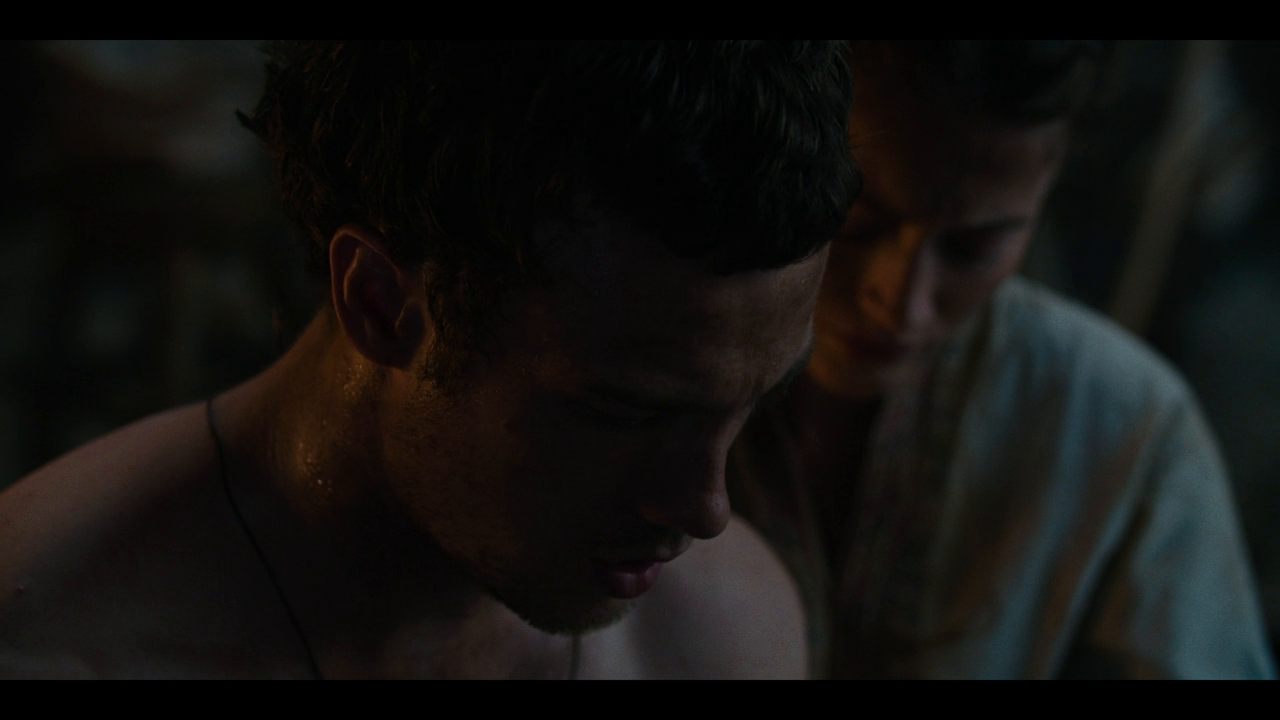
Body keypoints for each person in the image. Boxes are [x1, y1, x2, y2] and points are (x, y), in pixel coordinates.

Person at [0, 41, 859, 679]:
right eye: (625, 411)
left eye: (755, 402)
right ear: (382, 303)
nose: (707, 508)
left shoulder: (718, 636)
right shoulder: (54, 642)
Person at [727, 40, 1277, 679]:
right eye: (854, 222)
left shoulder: (1125, 430)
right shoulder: (658, 367)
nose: (900, 301)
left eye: (972, 249)